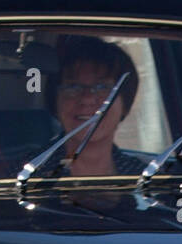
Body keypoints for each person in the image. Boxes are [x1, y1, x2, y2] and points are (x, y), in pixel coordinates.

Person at [49, 36, 150, 177]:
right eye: (73, 87)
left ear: (125, 102)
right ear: (56, 100)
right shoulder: (22, 177)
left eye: (103, 87)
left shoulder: (145, 177)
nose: (87, 98)